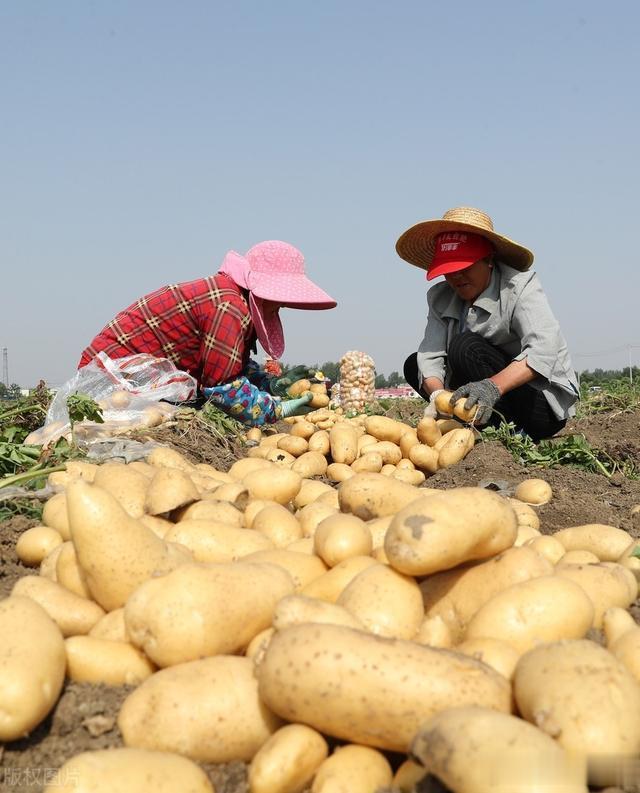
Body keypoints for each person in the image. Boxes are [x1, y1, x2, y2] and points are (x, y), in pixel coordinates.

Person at [78, 240, 336, 426]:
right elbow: (222, 386)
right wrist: (275, 409)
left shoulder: (228, 296)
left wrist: (269, 383)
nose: (279, 306)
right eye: (277, 299)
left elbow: (226, 366)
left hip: (125, 376)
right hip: (109, 382)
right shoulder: (228, 306)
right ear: (260, 289)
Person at [396, 206, 579, 441]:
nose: (457, 277)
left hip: (538, 405)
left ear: (489, 259)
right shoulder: (441, 298)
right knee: (415, 365)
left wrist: (492, 387)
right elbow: (430, 356)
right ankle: (477, 428)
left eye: (465, 268)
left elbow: (543, 349)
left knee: (465, 347)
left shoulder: (519, 286)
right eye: (449, 270)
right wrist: (438, 395)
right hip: (480, 396)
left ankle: (513, 432)